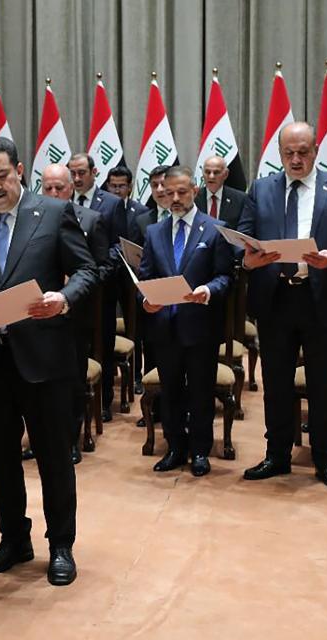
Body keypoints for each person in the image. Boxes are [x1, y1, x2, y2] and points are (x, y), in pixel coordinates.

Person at [0, 137, 97, 586]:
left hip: (44, 357)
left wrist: (62, 298)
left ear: (19, 170)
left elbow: (86, 270)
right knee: (0, 458)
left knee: (53, 456)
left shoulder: (53, 212)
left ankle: (61, 544)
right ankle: (13, 539)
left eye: (2, 176)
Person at [238, 122, 327, 491]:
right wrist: (248, 260)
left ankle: (326, 459)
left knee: (323, 384)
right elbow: (243, 236)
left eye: (303, 152)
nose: (296, 160)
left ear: (315, 151)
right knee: (276, 382)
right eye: (289, 153)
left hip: (321, 297)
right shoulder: (261, 188)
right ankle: (276, 454)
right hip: (275, 298)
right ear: (280, 154)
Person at [138, 165, 233, 476]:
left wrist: (208, 290)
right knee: (171, 392)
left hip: (200, 326)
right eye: (169, 193)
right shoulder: (155, 232)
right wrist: (146, 301)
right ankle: (175, 447)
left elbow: (225, 276)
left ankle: (201, 451)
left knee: (201, 391)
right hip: (165, 327)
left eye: (182, 192)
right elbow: (145, 277)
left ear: (195, 190)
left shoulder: (214, 228)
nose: (175, 198)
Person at [41, 162, 110, 465]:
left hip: (76, 314)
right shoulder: (33, 219)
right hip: (39, 314)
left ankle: (70, 441)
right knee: (41, 384)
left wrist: (75, 285)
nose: (54, 192)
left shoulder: (91, 220)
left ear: (71, 188)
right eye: (48, 188)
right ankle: (42, 440)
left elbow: (103, 267)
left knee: (71, 382)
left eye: (59, 187)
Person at [68, 152, 127, 423]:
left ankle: (103, 400)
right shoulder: (63, 200)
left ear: (94, 172)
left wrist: (95, 275)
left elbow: (118, 246)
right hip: (70, 289)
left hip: (101, 288)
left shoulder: (111, 203)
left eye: (81, 172)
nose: (77, 178)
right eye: (73, 173)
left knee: (102, 342)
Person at [128, 164, 171, 404]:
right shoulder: (142, 219)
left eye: (164, 184)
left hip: (183, 296)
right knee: (152, 350)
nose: (160, 189)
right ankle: (154, 407)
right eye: (155, 185)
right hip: (152, 297)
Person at [194, 156, 247, 226]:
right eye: (207, 172)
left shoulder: (240, 199)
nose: (211, 176)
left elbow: (244, 227)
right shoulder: (194, 197)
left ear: (225, 174)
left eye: (216, 172)